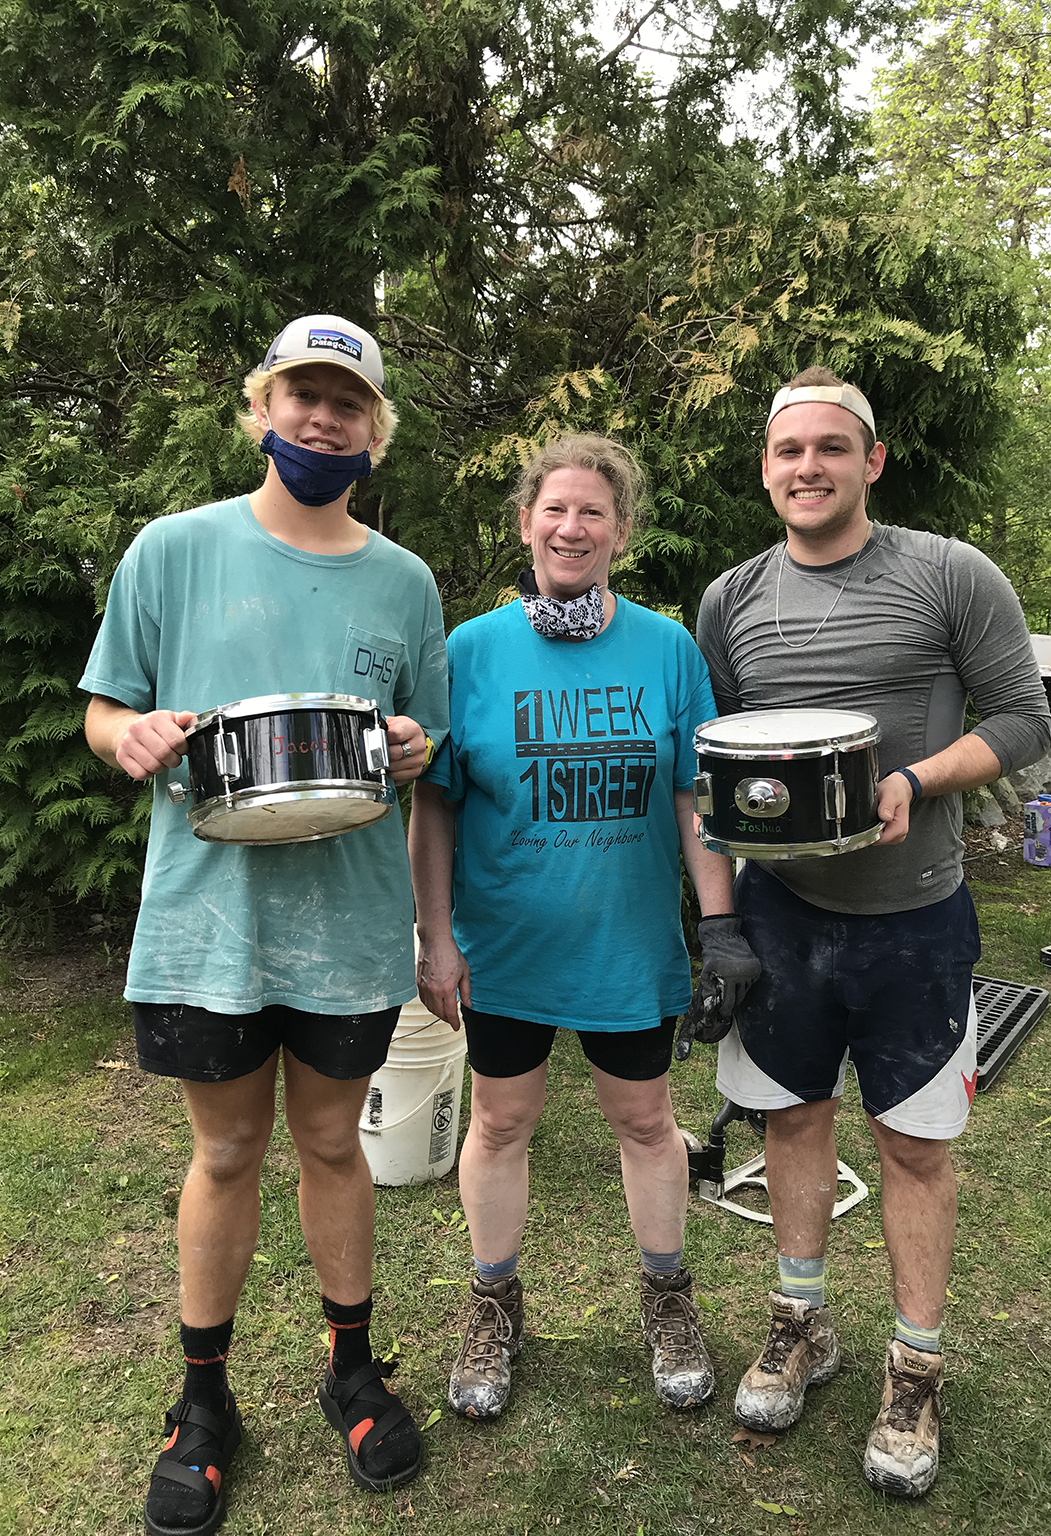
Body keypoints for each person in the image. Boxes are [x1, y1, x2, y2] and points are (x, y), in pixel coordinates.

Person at [80, 315, 449, 1533]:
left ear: (373, 432)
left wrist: (411, 749)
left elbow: (424, 741)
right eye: (303, 394)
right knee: (227, 1152)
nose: (322, 418)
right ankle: (203, 1404)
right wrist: (125, 736)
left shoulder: (403, 582)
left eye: (346, 402)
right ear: (263, 409)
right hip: (207, 920)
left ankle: (350, 1366)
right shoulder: (171, 550)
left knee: (335, 1145)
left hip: (348, 921)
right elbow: (106, 707)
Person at [696, 367, 1051, 1498]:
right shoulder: (730, 599)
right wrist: (717, 922)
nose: (808, 467)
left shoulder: (951, 574)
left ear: (872, 461)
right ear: (766, 468)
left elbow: (1023, 715)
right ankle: (802, 1319)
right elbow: (713, 760)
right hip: (782, 915)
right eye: (788, 450)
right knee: (791, 1119)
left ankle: (916, 1370)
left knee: (913, 1146)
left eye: (831, 448)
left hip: (916, 918)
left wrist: (919, 778)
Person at [408, 433, 758, 1422]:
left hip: (627, 944)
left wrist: (720, 925)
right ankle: (493, 1302)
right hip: (507, 947)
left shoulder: (666, 648)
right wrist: (433, 935)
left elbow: (697, 798)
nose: (571, 526)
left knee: (646, 1124)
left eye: (592, 512)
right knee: (502, 1122)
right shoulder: (468, 652)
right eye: (553, 509)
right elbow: (434, 806)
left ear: (621, 532)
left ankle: (667, 1300)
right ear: (525, 524)